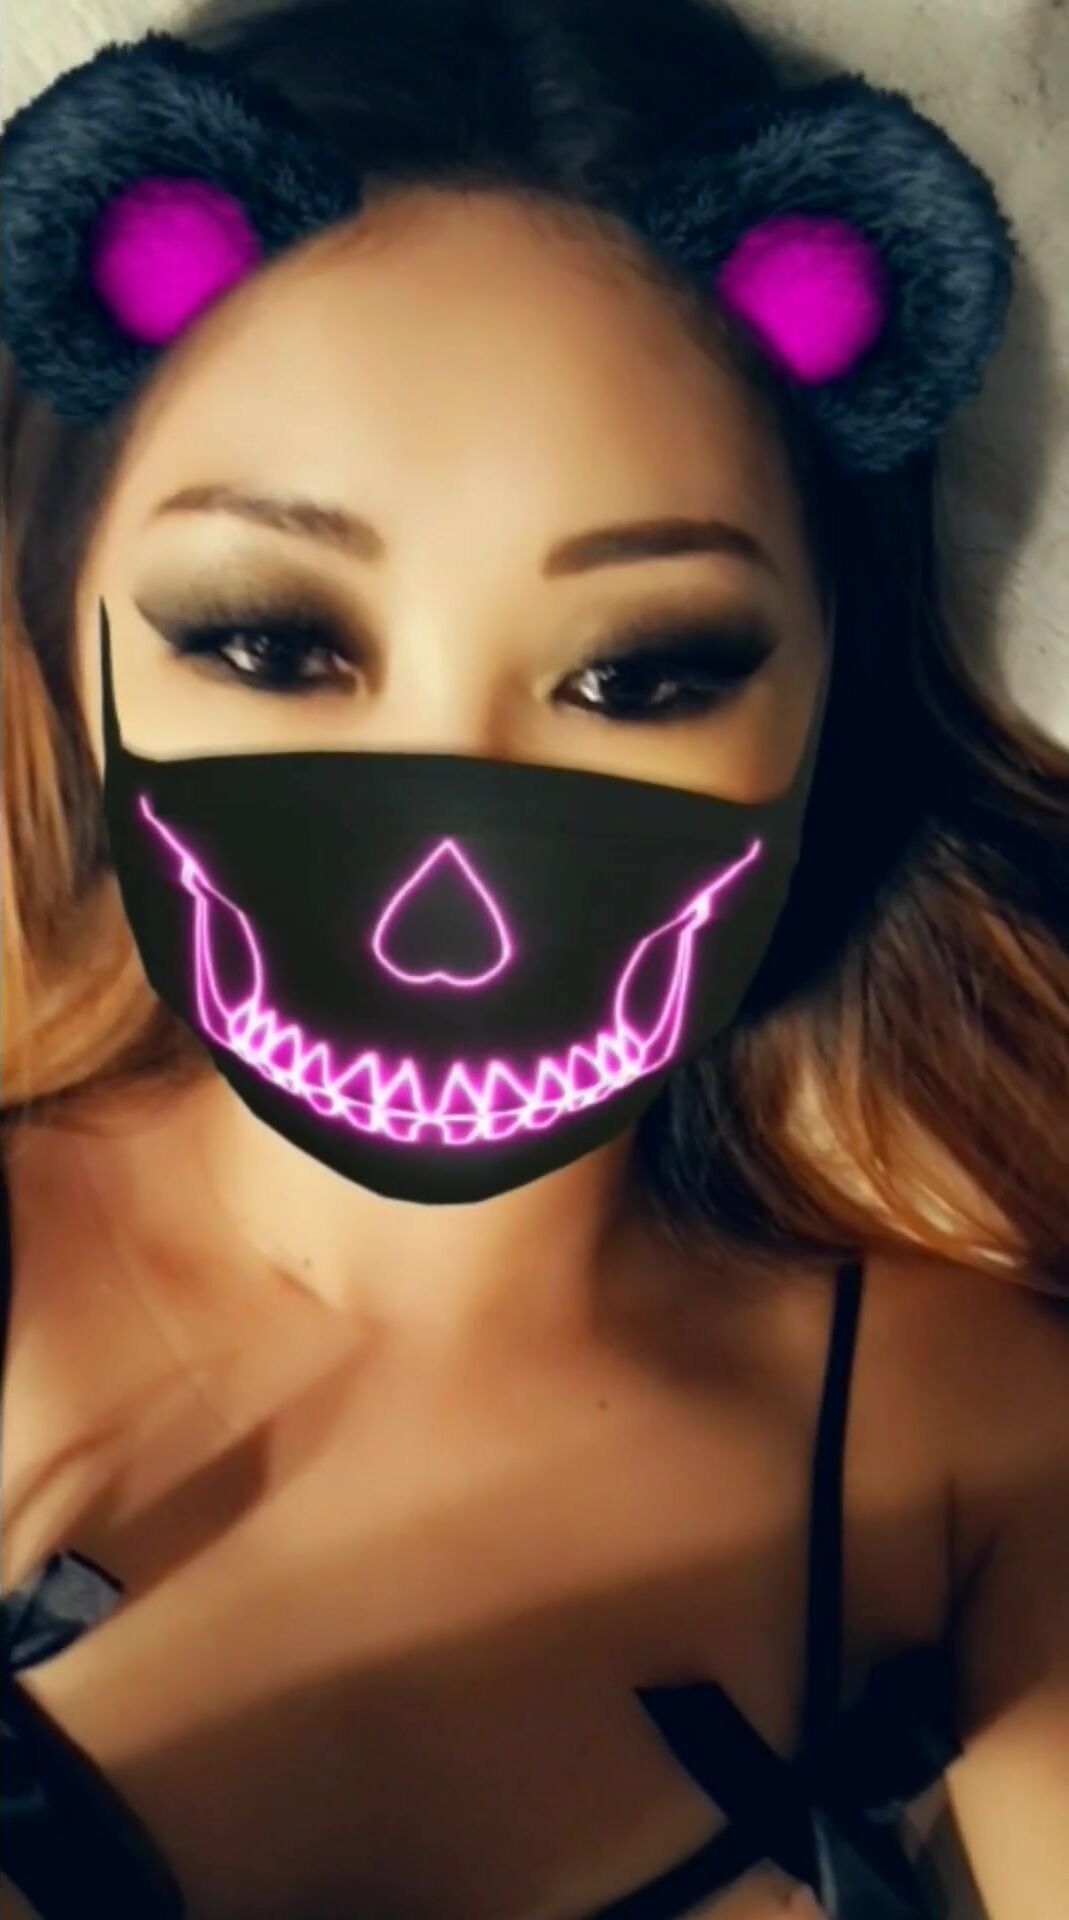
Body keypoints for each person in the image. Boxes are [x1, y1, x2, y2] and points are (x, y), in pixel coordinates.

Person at [1, 1, 1067, 1915]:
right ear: (64, 629)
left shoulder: (974, 1458)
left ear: (828, 700)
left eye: (641, 675)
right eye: (268, 641)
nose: (446, 900)